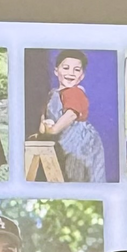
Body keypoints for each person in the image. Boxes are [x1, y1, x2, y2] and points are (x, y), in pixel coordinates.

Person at [36, 50, 107, 183]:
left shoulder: (75, 92)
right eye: (66, 68)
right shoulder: (53, 94)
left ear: (82, 76)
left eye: (76, 70)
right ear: (56, 71)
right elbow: (44, 115)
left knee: (78, 173)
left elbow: (71, 114)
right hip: (62, 142)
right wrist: (44, 128)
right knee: (64, 173)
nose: (70, 73)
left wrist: (53, 129)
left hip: (80, 141)